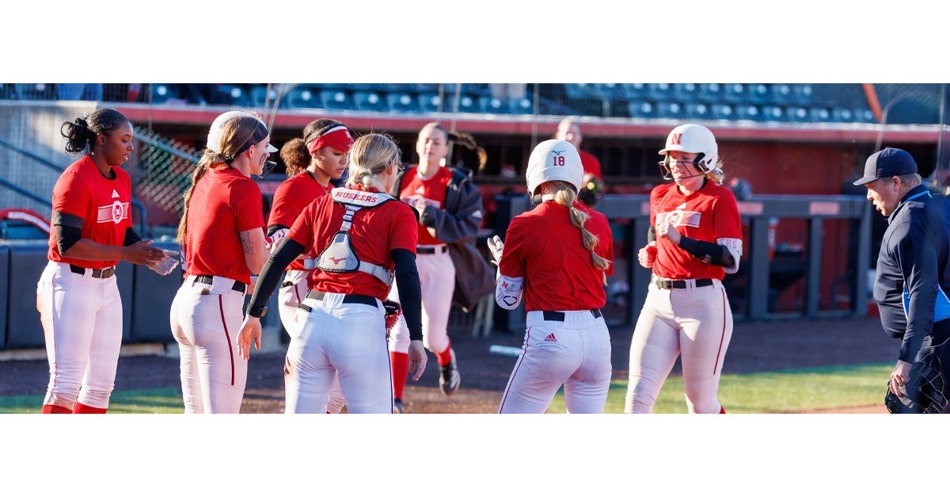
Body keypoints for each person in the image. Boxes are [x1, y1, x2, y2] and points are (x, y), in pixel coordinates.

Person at [237, 133, 428, 414]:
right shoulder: (399, 212)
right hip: (359, 319)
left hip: (310, 319)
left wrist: (253, 313)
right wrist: (416, 337)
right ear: (389, 167)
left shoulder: (322, 203)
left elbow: (277, 259)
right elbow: (407, 274)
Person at [36, 108, 170, 413]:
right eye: (124, 139)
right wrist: (127, 254)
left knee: (100, 388)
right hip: (70, 280)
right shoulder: (75, 178)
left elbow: (122, 231)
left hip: (107, 284)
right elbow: (67, 244)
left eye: (131, 140)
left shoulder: (121, 178)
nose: (130, 147)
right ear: (101, 139)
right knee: (65, 385)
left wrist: (144, 251)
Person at [488, 139, 614, 413]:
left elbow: (507, 300)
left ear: (536, 178)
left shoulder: (524, 223)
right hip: (597, 338)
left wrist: (502, 264)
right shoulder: (600, 221)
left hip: (551, 335)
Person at [624, 123, 743, 414]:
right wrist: (652, 249)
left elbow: (731, 260)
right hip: (658, 299)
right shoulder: (660, 194)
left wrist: (681, 241)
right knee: (637, 399)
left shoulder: (719, 198)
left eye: (683, 156)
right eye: (672, 157)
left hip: (703, 304)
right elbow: (657, 232)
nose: (675, 164)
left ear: (705, 159)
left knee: (700, 404)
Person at [168, 110, 275, 413]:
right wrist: (274, 250)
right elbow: (257, 263)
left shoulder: (206, 178)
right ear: (249, 150)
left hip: (189, 299)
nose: (267, 153)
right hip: (215, 304)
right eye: (265, 146)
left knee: (196, 413)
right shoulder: (242, 185)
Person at [386, 121, 485, 412]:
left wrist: (432, 216)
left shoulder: (454, 181)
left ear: (446, 148)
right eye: (426, 140)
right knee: (398, 330)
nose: (430, 146)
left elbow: (469, 226)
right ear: (417, 144)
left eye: (437, 142)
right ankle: (396, 400)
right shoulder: (402, 177)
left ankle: (446, 359)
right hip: (405, 258)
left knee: (432, 337)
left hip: (439, 259)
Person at [854, 147, 950, 413]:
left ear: (895, 183)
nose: (869, 195)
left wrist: (906, 359)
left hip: (937, 343)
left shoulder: (909, 222)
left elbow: (923, 292)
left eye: (872, 186)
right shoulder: (939, 205)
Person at [267, 119, 353, 414]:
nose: (344, 160)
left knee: (339, 387)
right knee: (329, 381)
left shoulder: (337, 191)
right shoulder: (294, 187)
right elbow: (276, 239)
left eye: (346, 153)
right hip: (302, 284)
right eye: (337, 152)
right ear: (316, 151)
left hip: (328, 287)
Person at [555, 117, 605, 208]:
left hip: (584, 212)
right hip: (559, 209)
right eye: (567, 133)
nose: (570, 137)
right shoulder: (553, 159)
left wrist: (591, 181)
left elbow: (600, 189)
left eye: (574, 133)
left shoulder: (591, 160)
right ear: (558, 136)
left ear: (580, 137)